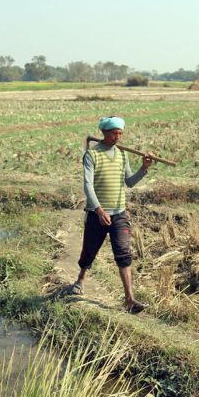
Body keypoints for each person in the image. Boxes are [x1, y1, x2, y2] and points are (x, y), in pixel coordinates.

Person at [71, 116, 153, 313]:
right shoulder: (92, 155)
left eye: (120, 134)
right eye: (114, 133)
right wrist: (99, 210)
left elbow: (130, 182)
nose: (118, 137)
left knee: (124, 254)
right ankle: (81, 278)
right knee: (89, 251)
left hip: (119, 214)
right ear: (104, 133)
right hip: (96, 213)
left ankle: (129, 299)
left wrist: (143, 168)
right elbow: (87, 185)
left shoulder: (122, 155)